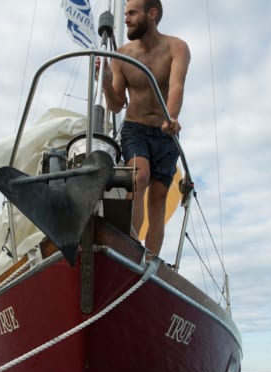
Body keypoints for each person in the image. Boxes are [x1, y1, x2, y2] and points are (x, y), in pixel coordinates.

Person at [100, 0, 190, 256]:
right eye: (125, 13)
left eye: (131, 13)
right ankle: (129, 247)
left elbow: (176, 87)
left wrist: (171, 118)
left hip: (165, 132)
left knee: (159, 199)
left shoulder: (177, 48)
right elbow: (116, 105)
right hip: (135, 128)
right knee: (139, 176)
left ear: (152, 14)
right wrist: (106, 81)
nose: (125, 19)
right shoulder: (122, 55)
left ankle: (150, 261)